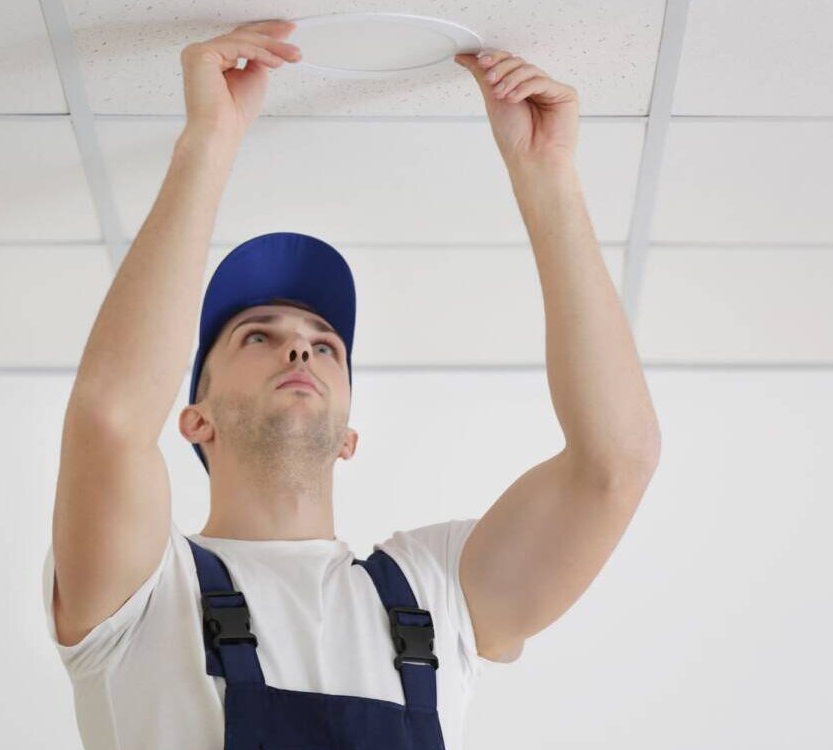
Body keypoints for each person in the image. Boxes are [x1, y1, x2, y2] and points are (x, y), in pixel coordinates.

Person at [44, 18, 661, 750]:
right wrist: (209, 140)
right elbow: (111, 421)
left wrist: (547, 174)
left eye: (325, 347)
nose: (299, 349)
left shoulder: (434, 593)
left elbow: (616, 462)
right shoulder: (146, 589)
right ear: (195, 419)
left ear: (348, 435)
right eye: (258, 336)